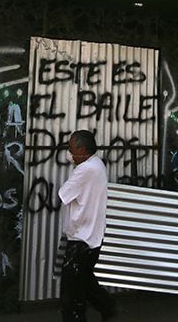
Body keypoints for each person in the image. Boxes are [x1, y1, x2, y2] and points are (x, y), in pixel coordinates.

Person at [58, 129, 118, 322]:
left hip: (81, 239)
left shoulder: (85, 169)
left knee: (72, 293)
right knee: (84, 280)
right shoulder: (97, 164)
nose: (69, 153)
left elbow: (64, 193)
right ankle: (108, 307)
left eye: (71, 149)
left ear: (82, 149)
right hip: (92, 237)